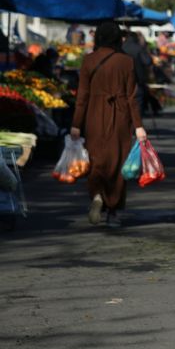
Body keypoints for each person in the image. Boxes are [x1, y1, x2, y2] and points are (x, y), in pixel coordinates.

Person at [70, 22, 147, 228]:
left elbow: (82, 96)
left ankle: (97, 195)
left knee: (95, 160)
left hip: (93, 116)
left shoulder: (88, 60)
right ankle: (113, 210)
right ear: (116, 38)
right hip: (120, 118)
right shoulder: (126, 62)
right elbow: (132, 98)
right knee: (118, 162)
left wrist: (76, 124)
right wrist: (138, 126)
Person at [122, 31, 153, 116]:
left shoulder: (120, 48)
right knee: (137, 104)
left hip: (122, 80)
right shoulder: (138, 48)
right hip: (137, 79)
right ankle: (137, 125)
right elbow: (148, 61)